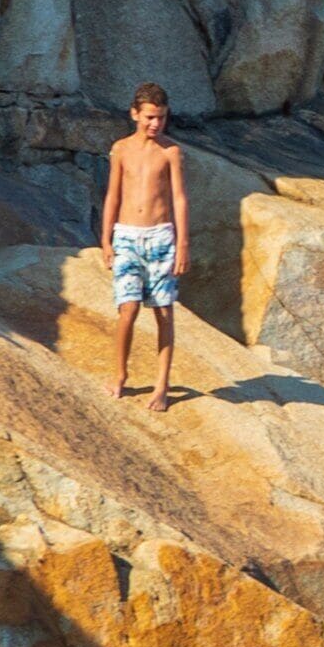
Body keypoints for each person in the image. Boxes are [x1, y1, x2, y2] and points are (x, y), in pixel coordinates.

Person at [99, 82, 191, 410]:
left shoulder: (171, 151)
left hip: (160, 237)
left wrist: (182, 245)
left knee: (163, 312)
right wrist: (106, 239)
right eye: (150, 117)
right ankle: (119, 374)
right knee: (128, 308)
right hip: (126, 234)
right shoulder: (121, 149)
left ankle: (161, 385)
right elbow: (113, 194)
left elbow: (179, 199)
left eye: (162, 118)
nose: (156, 124)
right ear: (135, 114)